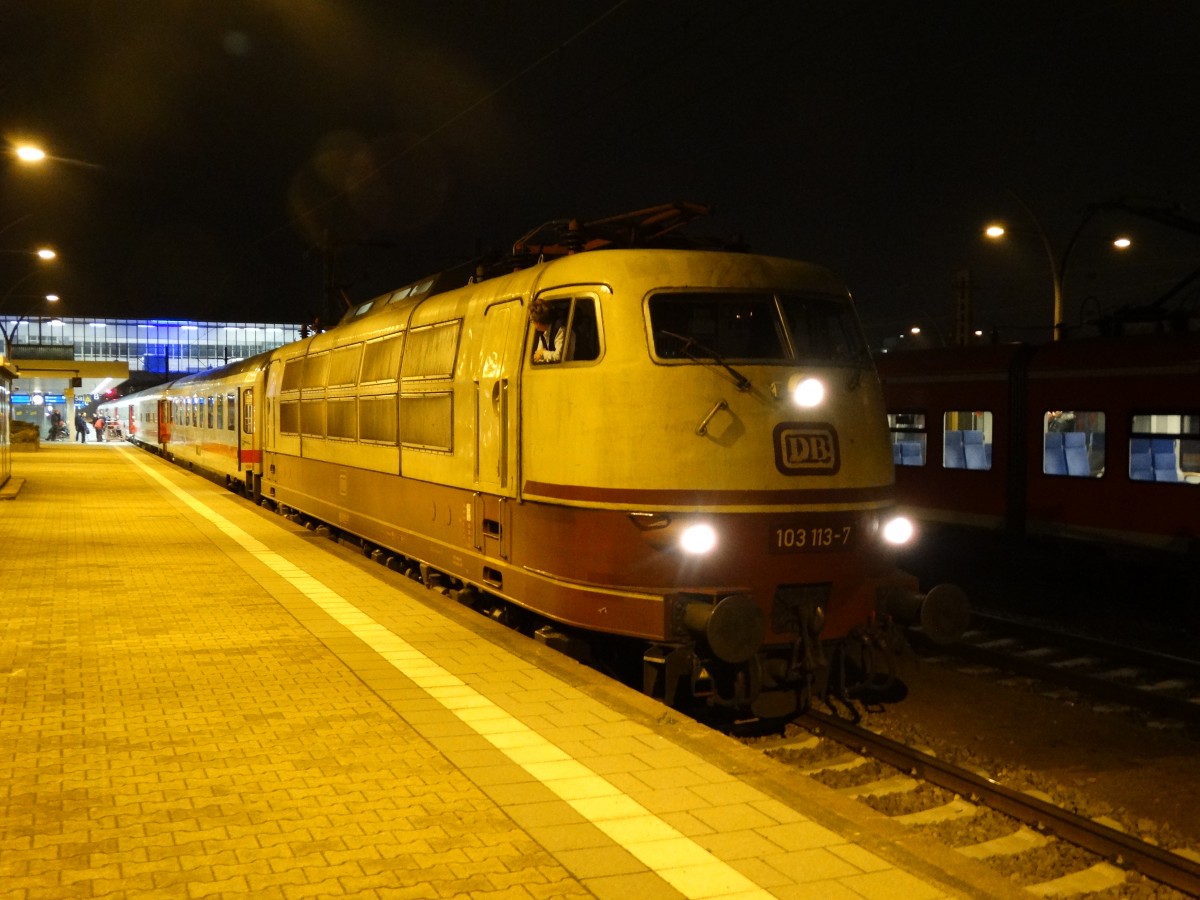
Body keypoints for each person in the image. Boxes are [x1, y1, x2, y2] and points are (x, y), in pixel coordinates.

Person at [530, 298, 575, 364]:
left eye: (532, 321)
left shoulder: (560, 330)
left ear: (538, 322)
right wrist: (540, 355)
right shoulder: (543, 333)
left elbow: (560, 357)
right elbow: (537, 355)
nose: (532, 323)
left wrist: (543, 353)